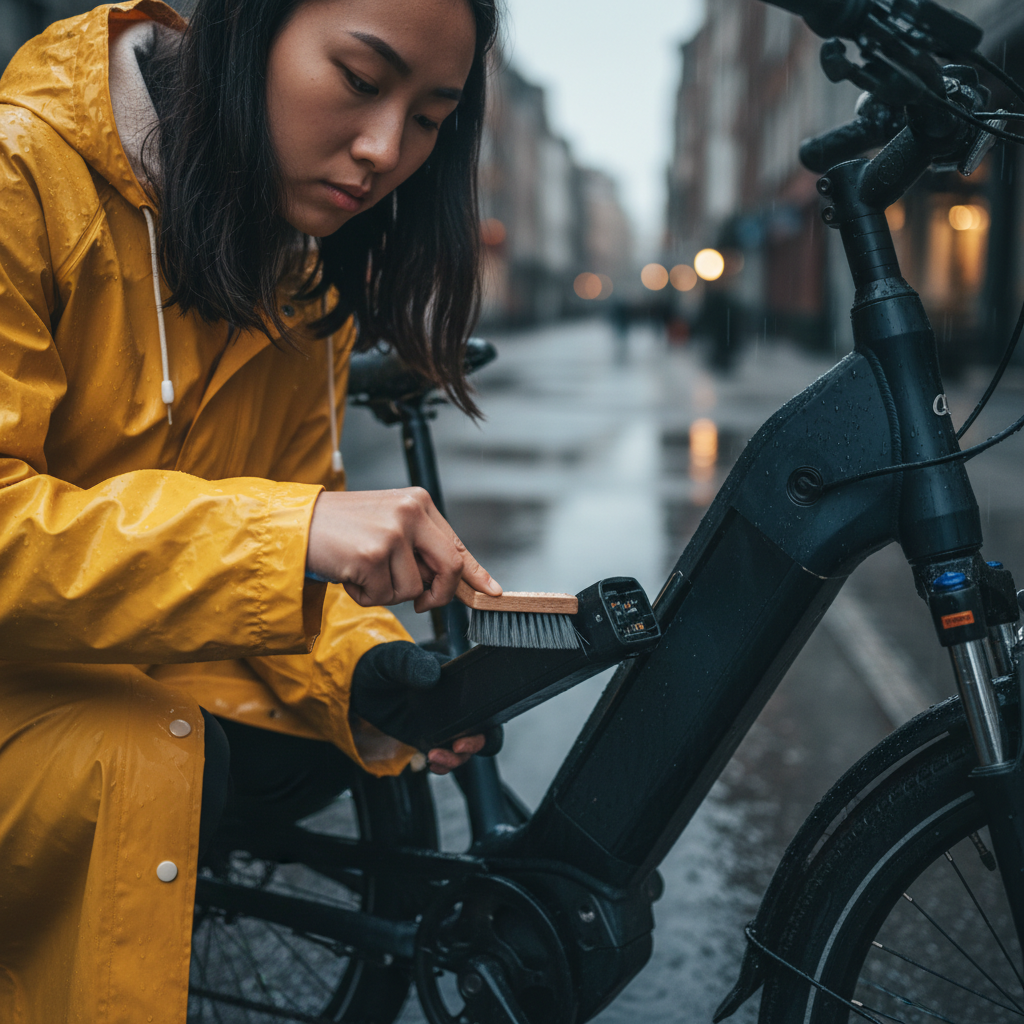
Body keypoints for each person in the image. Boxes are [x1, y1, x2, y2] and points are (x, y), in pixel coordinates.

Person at [0, 0, 500, 1018]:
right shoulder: (21, 176)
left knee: (320, 738)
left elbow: (270, 561)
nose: (384, 151)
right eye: (361, 81)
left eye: (428, 119)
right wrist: (291, 531)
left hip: (103, 664)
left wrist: (373, 671)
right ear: (245, 26)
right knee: (135, 752)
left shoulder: (296, 274)